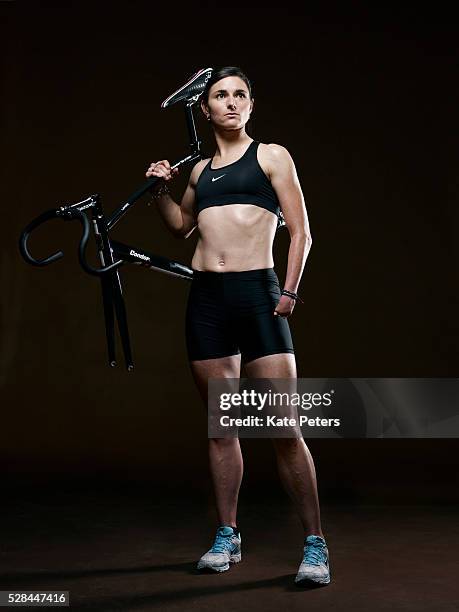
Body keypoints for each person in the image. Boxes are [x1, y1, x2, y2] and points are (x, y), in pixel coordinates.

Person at [145, 66, 331, 587]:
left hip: (257, 296)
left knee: (282, 427)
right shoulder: (200, 172)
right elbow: (182, 228)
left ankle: (315, 544)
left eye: (239, 95)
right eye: (220, 96)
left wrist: (289, 291)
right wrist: (163, 189)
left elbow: (302, 233)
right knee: (221, 427)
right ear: (204, 110)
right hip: (206, 301)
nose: (231, 103)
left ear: (251, 104)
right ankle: (227, 534)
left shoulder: (271, 156)